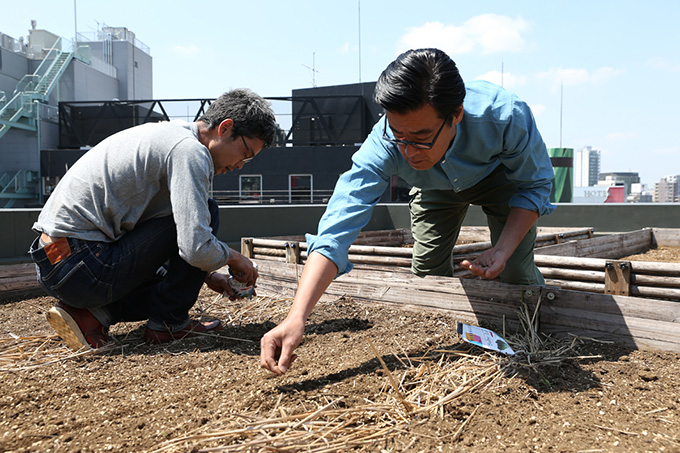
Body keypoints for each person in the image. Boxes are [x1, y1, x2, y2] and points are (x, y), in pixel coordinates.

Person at [260, 48, 555, 375]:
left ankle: (537, 337)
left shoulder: (504, 115)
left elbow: (535, 185)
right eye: (398, 134)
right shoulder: (385, 141)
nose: (408, 150)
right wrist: (296, 316)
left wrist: (501, 249)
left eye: (421, 137)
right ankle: (453, 344)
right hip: (433, 186)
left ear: (455, 115)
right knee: (428, 269)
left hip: (500, 180)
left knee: (514, 268)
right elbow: (336, 229)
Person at [30, 88, 277, 350]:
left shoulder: (169, 135)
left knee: (172, 276)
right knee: (208, 210)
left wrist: (205, 276)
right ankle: (169, 324)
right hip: (84, 264)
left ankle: (91, 315)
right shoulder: (190, 152)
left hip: (56, 262)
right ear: (225, 128)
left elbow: (159, 238)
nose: (240, 165)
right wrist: (235, 258)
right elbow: (195, 247)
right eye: (245, 154)